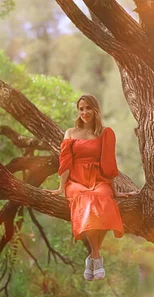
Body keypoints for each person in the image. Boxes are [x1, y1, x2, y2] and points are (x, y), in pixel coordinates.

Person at [46, 94, 135, 281]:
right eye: (81, 109)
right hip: (76, 181)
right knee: (85, 201)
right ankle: (96, 257)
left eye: (88, 108)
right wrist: (61, 188)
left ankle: (93, 256)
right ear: (78, 111)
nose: (84, 112)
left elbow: (109, 163)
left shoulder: (105, 133)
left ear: (95, 110)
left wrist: (116, 190)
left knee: (103, 200)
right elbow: (65, 163)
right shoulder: (70, 133)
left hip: (98, 179)